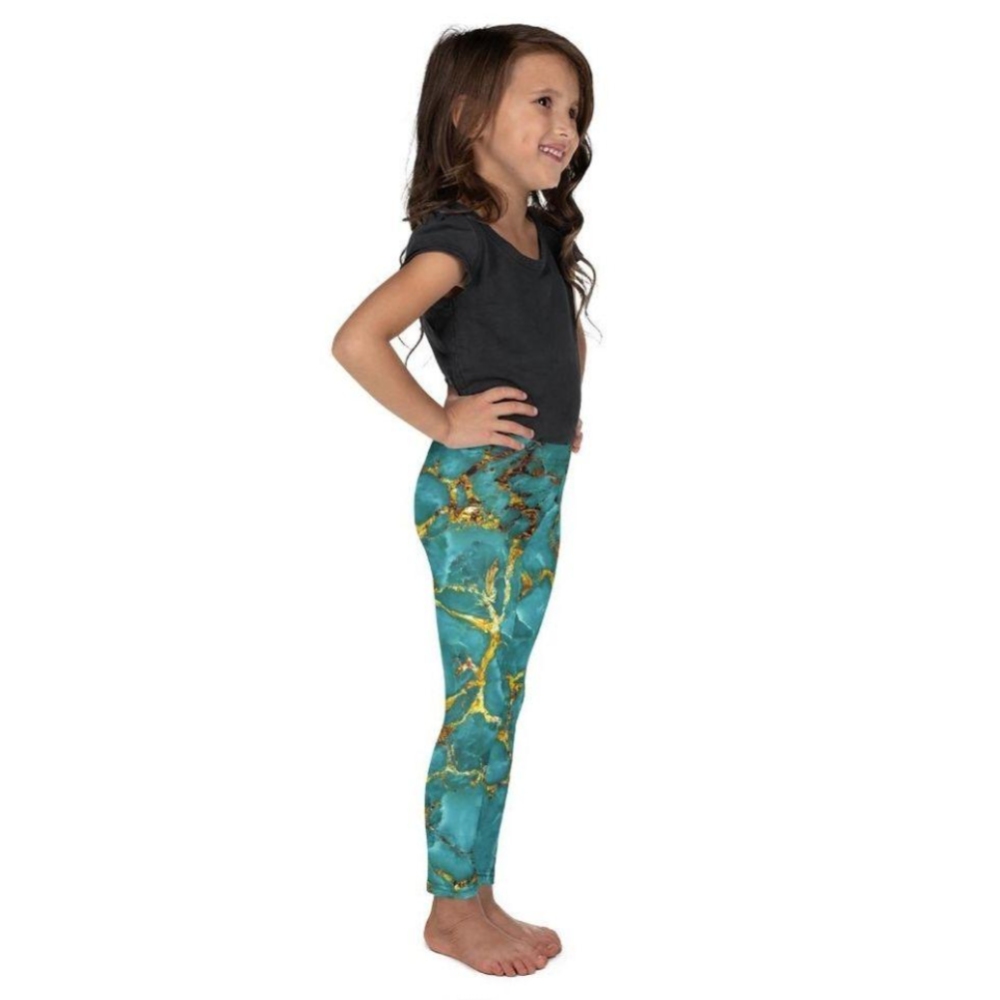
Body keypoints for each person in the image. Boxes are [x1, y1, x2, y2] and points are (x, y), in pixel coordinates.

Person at [331, 24, 598, 977]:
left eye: (575, 109)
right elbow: (358, 339)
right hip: (478, 500)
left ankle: (476, 891)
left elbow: (558, 331)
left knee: (502, 697)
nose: (565, 124)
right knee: (479, 703)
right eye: (543, 101)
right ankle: (453, 910)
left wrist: (562, 417)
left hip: (534, 486)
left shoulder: (543, 233)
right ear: (468, 116)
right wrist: (446, 422)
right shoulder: (458, 241)